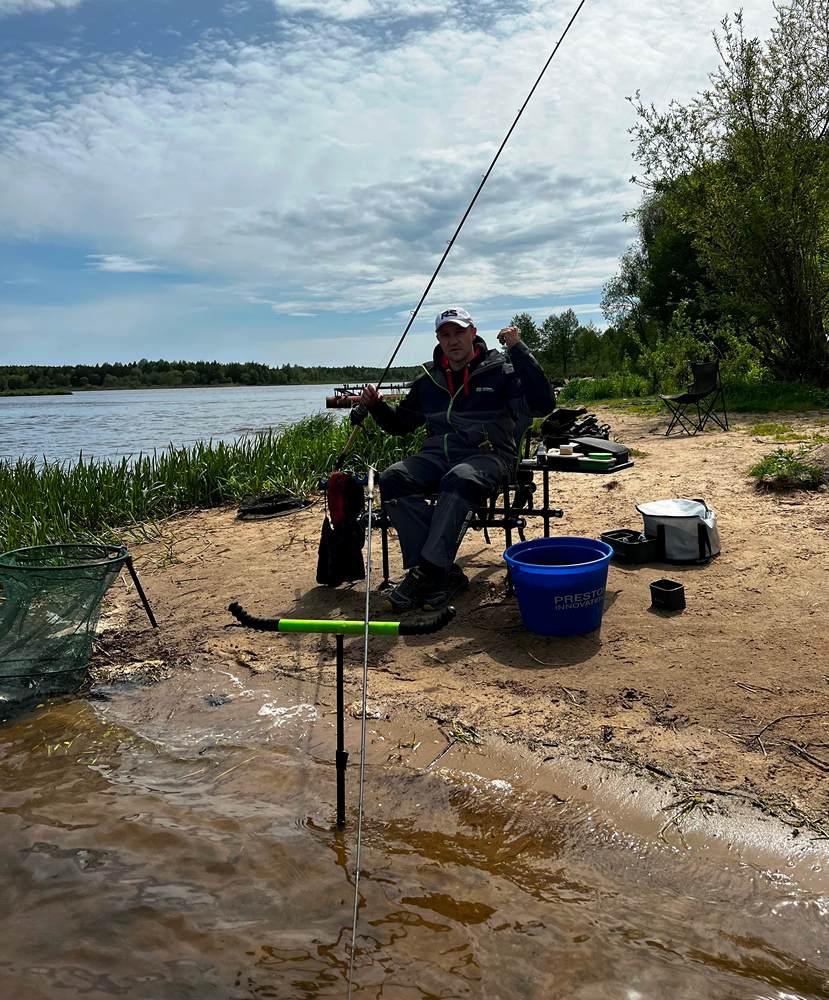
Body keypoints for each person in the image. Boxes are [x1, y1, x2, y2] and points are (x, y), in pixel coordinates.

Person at [360, 305, 555, 611]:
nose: (453, 340)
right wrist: (376, 406)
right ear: (438, 339)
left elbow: (543, 404)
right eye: (445, 334)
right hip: (436, 456)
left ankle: (425, 572)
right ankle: (440, 572)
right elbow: (400, 426)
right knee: (394, 477)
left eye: (459, 332)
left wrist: (518, 349)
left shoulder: (501, 370)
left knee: (459, 478)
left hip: (489, 457)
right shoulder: (429, 380)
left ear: (473, 333)